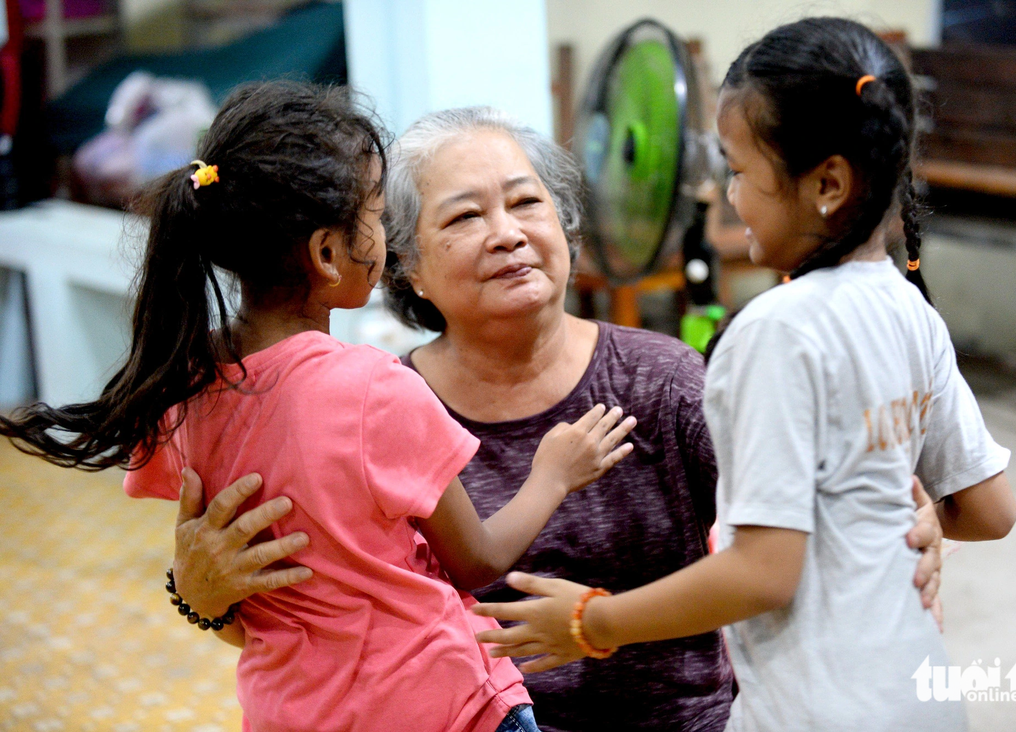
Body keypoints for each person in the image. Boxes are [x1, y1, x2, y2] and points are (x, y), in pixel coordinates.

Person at [166, 105, 947, 732]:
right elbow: (310, 616)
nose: (507, 232)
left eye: (526, 202)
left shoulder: (665, 381)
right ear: (405, 265)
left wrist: (910, 519)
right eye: (465, 217)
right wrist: (197, 593)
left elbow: (796, 523)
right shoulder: (363, 408)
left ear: (566, 228)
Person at [0, 81, 638, 732]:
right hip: (443, 705)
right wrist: (552, 473)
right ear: (328, 254)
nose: (387, 234)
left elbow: (236, 599)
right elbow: (475, 561)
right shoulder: (372, 387)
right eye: (376, 214)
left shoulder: (186, 386)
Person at [470, 18, 1016, 732]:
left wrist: (591, 621)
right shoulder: (911, 312)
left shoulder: (776, 330)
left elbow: (763, 572)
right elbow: (990, 511)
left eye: (738, 171)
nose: (729, 196)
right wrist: (899, 517)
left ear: (828, 183)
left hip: (815, 711)